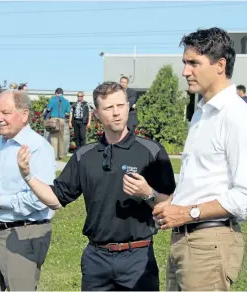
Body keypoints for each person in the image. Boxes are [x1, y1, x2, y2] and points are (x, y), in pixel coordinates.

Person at [17, 81, 176, 291]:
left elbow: (169, 204)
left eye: (120, 105)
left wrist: (147, 193)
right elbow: (55, 199)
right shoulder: (85, 156)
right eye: (109, 108)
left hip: (138, 257)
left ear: (128, 107)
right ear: (98, 114)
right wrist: (27, 175)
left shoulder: (151, 151)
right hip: (96, 260)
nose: (116, 113)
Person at [152, 27, 247, 291]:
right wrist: (172, 203)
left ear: (219, 65)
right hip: (185, 239)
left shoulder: (238, 116)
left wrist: (187, 212)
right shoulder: (202, 112)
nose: (185, 71)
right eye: (184, 63)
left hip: (209, 242)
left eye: (193, 63)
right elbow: (204, 178)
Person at [0, 90, 56, 290]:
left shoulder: (38, 148)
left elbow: (40, 199)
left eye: (5, 113)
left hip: (25, 234)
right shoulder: (0, 143)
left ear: (24, 115)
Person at [45, 88, 71, 160]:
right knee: (61, 138)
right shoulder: (66, 101)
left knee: (53, 138)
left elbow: (48, 109)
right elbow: (68, 112)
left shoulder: (52, 99)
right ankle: (61, 155)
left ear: (56, 93)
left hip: (53, 120)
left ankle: (55, 155)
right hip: (62, 120)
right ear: (62, 93)